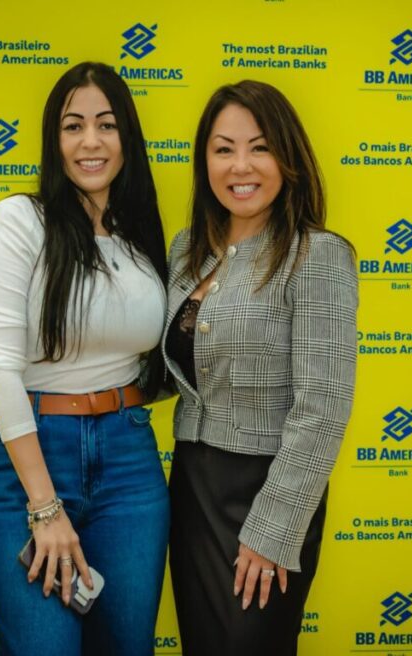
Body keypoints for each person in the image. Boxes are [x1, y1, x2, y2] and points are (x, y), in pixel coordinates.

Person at [0, 61, 169, 656]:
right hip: (35, 457)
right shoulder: (19, 220)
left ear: (127, 138)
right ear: (52, 139)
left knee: (126, 646)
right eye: (73, 126)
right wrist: (44, 505)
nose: (91, 142)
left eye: (107, 125)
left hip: (130, 459)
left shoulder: (141, 238)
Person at [164, 80, 358, 655]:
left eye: (260, 147)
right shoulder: (186, 251)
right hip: (191, 487)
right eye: (223, 149)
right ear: (204, 161)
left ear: (288, 157)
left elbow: (323, 408)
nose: (240, 166)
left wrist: (274, 529)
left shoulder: (317, 254)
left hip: (267, 490)